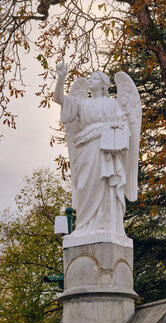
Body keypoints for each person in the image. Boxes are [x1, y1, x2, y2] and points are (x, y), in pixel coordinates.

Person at [54, 59, 130, 236]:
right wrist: (61, 78)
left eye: (95, 78)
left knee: (104, 185)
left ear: (103, 84)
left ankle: (104, 224)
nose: (90, 80)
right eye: (90, 78)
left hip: (104, 149)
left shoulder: (112, 104)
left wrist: (114, 129)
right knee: (84, 185)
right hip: (85, 148)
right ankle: (84, 225)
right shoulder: (81, 104)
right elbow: (59, 99)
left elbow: (123, 126)